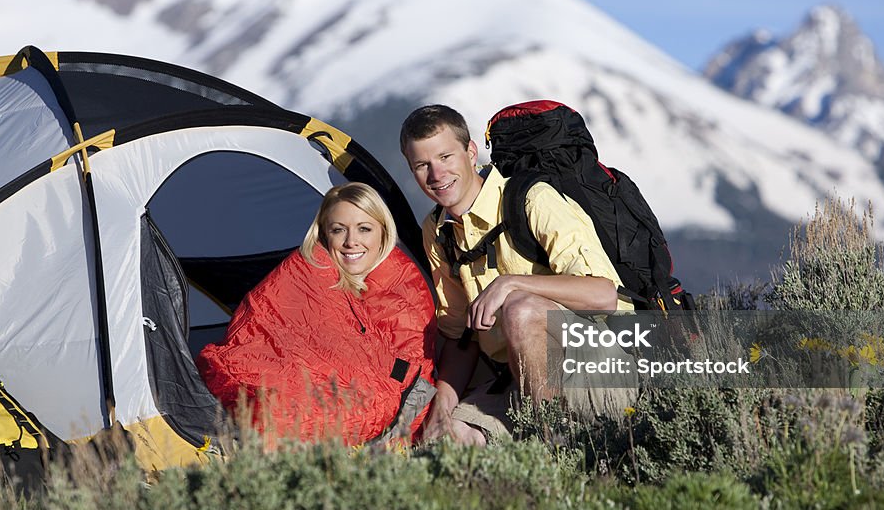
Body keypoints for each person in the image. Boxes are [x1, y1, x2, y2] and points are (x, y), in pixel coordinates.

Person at [400, 104, 634, 445]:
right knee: (450, 438)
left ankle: (553, 448)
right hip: (519, 381)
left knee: (521, 308)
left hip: (602, 369)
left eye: (446, 157)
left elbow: (604, 294)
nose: (437, 175)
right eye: (422, 165)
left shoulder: (532, 200)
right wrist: (441, 410)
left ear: (470, 151)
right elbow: (458, 336)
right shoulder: (437, 232)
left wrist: (510, 283)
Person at [196, 182, 436, 446]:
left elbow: (411, 375)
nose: (350, 242)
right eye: (338, 230)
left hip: (366, 397)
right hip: (294, 378)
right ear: (323, 234)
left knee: (277, 414)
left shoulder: (401, 290)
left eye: (364, 229)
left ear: (384, 232)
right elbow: (260, 325)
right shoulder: (310, 270)